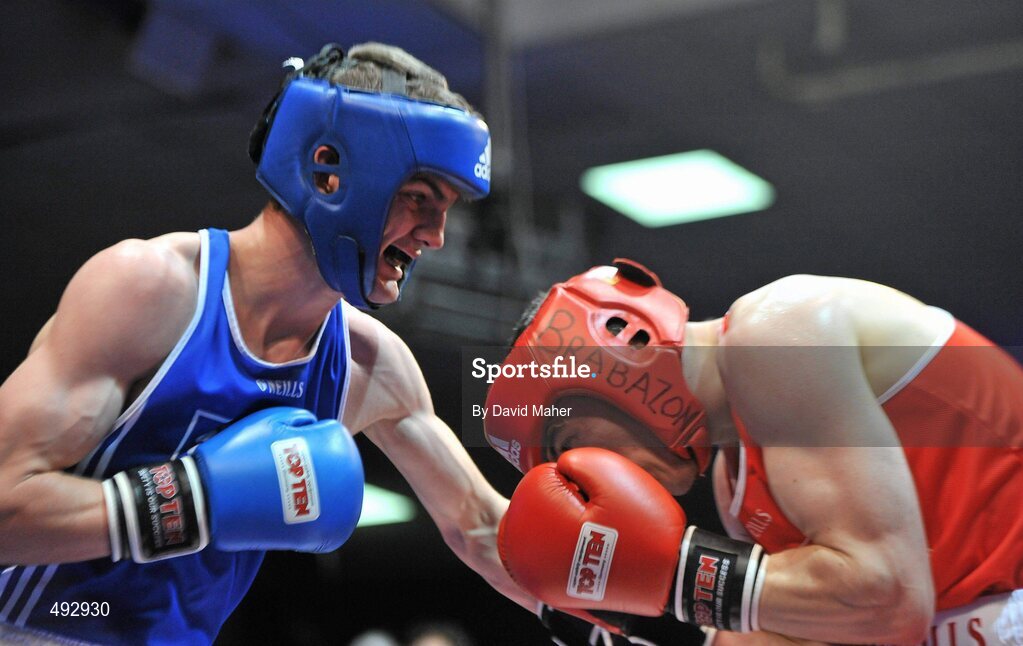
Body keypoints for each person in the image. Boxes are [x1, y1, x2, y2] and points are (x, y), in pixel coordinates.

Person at [0, 42, 531, 645]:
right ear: (331, 170)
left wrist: (626, 602)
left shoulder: (367, 366)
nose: (436, 236)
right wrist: (191, 500)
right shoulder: (153, 289)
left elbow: (482, 527)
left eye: (446, 211)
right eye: (419, 199)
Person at [484, 259, 1023, 645]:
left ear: (618, 357)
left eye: (574, 448)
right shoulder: (735, 482)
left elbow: (889, 602)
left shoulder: (776, 330)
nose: (594, 477)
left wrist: (672, 574)